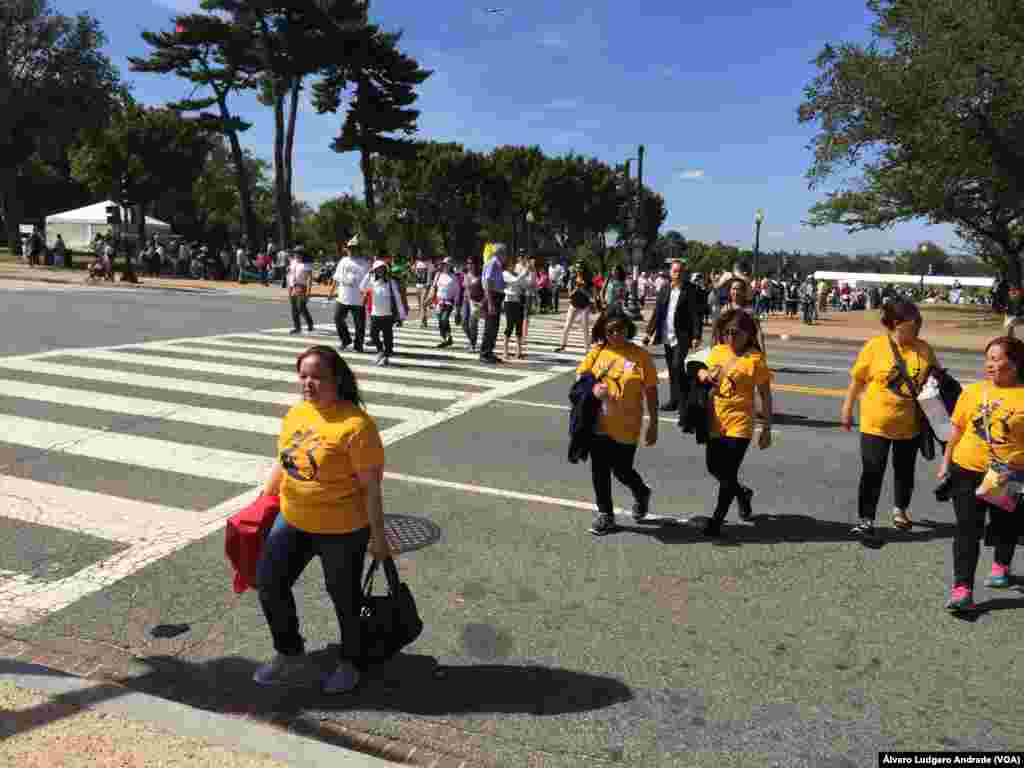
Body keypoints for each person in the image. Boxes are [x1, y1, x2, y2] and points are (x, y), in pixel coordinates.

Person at [253, 345, 391, 693]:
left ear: (337, 380)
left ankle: (352, 661)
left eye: (317, 377)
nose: (308, 384)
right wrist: (261, 504)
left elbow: (372, 488)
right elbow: (282, 463)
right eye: (303, 376)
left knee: (345, 598)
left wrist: (378, 537)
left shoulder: (357, 426)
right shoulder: (298, 413)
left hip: (342, 529)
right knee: (269, 584)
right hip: (292, 519)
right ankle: (289, 653)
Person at [840, 299, 940, 542]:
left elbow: (936, 383)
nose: (917, 330)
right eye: (912, 325)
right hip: (875, 422)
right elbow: (858, 380)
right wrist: (847, 408)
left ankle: (900, 509)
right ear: (896, 324)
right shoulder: (875, 347)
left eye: (919, 325)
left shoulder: (924, 349)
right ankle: (866, 520)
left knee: (904, 471)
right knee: (872, 471)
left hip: (910, 424)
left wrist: (942, 422)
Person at [937, 336, 1024, 611]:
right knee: (967, 529)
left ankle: (1000, 565)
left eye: (997, 359)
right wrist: (946, 461)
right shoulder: (973, 391)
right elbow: (957, 429)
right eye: (988, 358)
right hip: (966, 470)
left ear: (1016, 363)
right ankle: (962, 588)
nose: (990, 364)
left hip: (1007, 474)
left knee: (1005, 526)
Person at [575, 305, 659, 536]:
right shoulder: (598, 352)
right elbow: (581, 379)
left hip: (628, 424)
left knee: (622, 470)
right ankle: (605, 515)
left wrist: (653, 423)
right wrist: (593, 389)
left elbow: (651, 390)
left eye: (619, 329)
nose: (615, 335)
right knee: (599, 468)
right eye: (610, 330)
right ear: (603, 331)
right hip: (599, 424)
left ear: (627, 329)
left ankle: (641, 492)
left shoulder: (640, 355)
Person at [697, 309, 773, 537]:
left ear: (748, 335)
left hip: (740, 422)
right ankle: (742, 494)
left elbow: (765, 394)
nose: (730, 337)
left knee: (728, 472)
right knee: (714, 468)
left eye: (736, 333)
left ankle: (717, 520)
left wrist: (766, 427)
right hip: (715, 418)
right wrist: (704, 375)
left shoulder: (755, 360)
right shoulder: (718, 351)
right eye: (727, 332)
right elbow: (700, 369)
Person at [643, 258, 703, 412]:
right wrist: (649, 333)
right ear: (670, 272)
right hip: (666, 334)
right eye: (675, 271)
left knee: (677, 366)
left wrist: (696, 336)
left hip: (682, 335)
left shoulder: (691, 290)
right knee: (671, 368)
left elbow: (696, 315)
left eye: (681, 271)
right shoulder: (665, 288)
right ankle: (674, 400)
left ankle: (684, 400)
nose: (678, 274)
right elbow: (657, 312)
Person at [360, 258, 405, 366]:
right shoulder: (371, 281)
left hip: (388, 315)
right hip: (375, 314)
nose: (380, 271)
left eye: (382, 269)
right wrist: (368, 273)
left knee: (388, 337)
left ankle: (386, 355)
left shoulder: (391, 282)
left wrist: (401, 314)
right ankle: (380, 350)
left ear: (385, 270)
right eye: (377, 269)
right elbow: (361, 286)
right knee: (373, 334)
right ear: (374, 271)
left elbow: (398, 298)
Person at [330, 238, 371, 353]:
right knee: (338, 318)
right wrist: (331, 292)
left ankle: (358, 346)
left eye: (354, 249)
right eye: (350, 249)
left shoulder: (365, 263)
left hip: (358, 299)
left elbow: (369, 281)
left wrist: (366, 295)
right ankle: (345, 340)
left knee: (359, 325)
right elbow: (336, 277)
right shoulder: (343, 261)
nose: (352, 251)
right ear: (347, 250)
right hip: (343, 297)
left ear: (359, 250)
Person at [479, 243, 507, 364]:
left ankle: (489, 352)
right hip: (493, 297)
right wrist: (490, 302)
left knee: (493, 327)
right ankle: (485, 353)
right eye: (505, 253)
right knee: (490, 327)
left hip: (496, 296)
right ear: (500, 253)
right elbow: (487, 282)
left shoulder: (497, 264)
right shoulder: (493, 263)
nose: (506, 256)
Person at [554, 269, 594, 352]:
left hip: (584, 306)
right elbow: (569, 295)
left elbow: (591, 296)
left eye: (581, 270)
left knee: (585, 327)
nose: (579, 272)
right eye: (578, 270)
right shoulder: (572, 279)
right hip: (574, 305)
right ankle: (563, 345)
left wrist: (583, 290)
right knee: (567, 325)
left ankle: (587, 349)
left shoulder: (588, 280)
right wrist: (576, 289)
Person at [428, 257, 461, 348]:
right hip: (438, 302)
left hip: (448, 302)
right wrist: (429, 300)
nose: (445, 266)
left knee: (444, 319)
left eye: (447, 265)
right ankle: (446, 338)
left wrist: (457, 305)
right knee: (440, 321)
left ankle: (447, 337)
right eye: (444, 264)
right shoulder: (438, 275)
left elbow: (457, 291)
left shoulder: (454, 277)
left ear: (450, 266)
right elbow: (434, 287)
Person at [501, 255, 529, 359]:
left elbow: (525, 284)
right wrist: (525, 271)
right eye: (510, 264)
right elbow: (515, 281)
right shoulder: (504, 274)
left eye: (513, 264)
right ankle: (505, 351)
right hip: (509, 302)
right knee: (509, 326)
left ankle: (519, 351)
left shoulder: (517, 274)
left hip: (519, 301)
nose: (512, 266)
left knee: (519, 326)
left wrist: (527, 273)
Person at [287, 247, 314, 335]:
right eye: (295, 253)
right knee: (294, 308)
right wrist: (289, 287)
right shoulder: (293, 262)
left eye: (298, 253)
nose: (296, 255)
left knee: (301, 307)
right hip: (293, 286)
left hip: (302, 287)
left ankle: (309, 323)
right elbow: (290, 274)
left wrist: (308, 292)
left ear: (302, 254)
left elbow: (309, 279)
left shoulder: (306, 264)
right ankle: (297, 327)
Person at [461, 260, 484, 352]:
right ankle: (471, 340)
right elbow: (463, 288)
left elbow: (484, 290)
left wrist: (482, 302)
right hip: (466, 301)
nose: (469, 265)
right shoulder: (465, 274)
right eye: (468, 263)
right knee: (464, 323)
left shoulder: (481, 276)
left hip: (475, 302)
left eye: (472, 263)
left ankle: (473, 344)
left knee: (472, 323)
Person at [413, 252, 435, 328]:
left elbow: (432, 273)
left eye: (421, 254)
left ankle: (422, 321)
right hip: (418, 285)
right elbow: (415, 273)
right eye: (419, 254)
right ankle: (424, 319)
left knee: (423, 303)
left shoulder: (429, 263)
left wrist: (430, 285)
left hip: (426, 286)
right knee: (421, 305)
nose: (420, 255)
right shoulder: (417, 263)